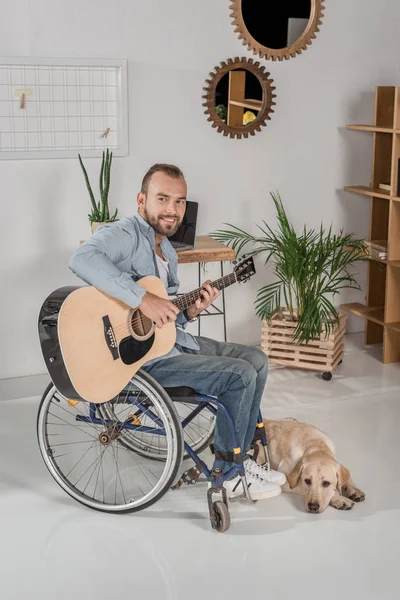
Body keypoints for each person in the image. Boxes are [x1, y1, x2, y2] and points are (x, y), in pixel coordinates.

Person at [69, 163, 285, 500]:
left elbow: (164, 324)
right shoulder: (125, 233)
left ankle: (240, 459)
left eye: (180, 201)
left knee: (255, 357)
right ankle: (228, 471)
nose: (173, 210)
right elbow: (82, 259)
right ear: (142, 200)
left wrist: (190, 310)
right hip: (138, 362)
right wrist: (143, 299)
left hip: (168, 347)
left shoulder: (167, 249)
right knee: (238, 374)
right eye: (163, 198)